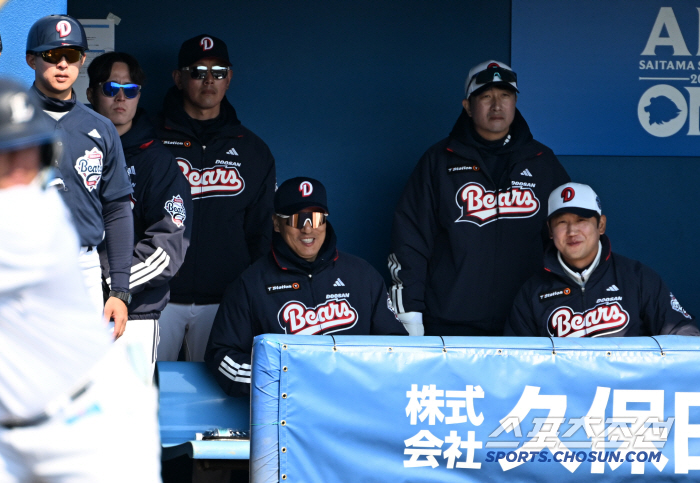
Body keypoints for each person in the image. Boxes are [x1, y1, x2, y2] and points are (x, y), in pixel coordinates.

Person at [0, 78, 160, 482]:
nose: (17, 170)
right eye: (4, 154)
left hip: (86, 428)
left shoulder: (34, 218)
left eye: (28, 153)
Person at [388, 60, 570, 337]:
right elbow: (410, 240)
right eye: (486, 97)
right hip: (449, 325)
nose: (497, 105)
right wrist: (409, 313)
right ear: (468, 106)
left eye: (505, 96)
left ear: (515, 101)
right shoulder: (438, 161)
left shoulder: (542, 162)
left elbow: (570, 241)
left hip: (526, 325)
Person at [205, 177, 407, 397]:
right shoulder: (251, 284)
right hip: (287, 413)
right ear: (276, 223)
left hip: (355, 406)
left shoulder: (362, 276)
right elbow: (223, 356)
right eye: (296, 219)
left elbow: (396, 349)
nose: (307, 229)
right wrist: (285, 379)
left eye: (316, 217)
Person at [156, 34, 276, 362]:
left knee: (213, 400)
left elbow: (261, 233)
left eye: (218, 72)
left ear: (229, 78)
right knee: (145, 391)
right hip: (157, 297)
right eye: (197, 72)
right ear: (179, 78)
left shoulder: (253, 150)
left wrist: (250, 295)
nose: (209, 80)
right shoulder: (149, 140)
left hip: (224, 300)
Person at [25, 15, 134, 336]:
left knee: (79, 374)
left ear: (82, 60)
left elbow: (116, 208)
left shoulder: (101, 127)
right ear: (31, 59)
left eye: (70, 55)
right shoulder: (11, 122)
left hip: (82, 265)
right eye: (50, 55)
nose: (62, 64)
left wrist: (120, 290)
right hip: (23, 262)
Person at [86, 52, 193, 377]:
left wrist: (111, 286)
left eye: (130, 89)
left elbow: (168, 246)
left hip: (134, 314)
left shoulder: (157, 162)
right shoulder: (73, 149)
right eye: (111, 88)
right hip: (74, 307)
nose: (121, 97)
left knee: (125, 419)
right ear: (91, 93)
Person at [505, 182, 699, 337]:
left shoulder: (636, 278)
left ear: (601, 225)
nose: (572, 232)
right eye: (562, 222)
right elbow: (515, 360)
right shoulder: (533, 291)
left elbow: (683, 334)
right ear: (550, 230)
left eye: (582, 220)